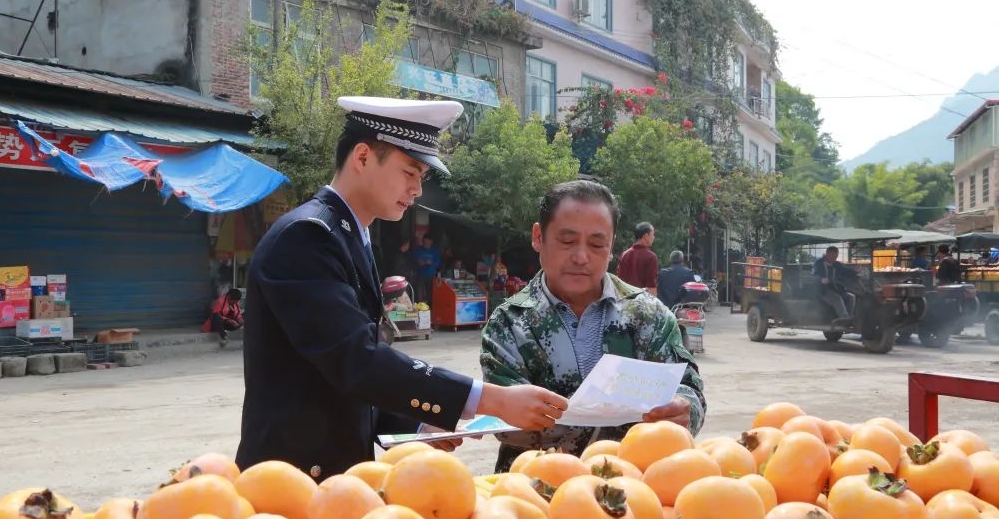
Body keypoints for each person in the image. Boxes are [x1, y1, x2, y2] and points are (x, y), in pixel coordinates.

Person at [235, 96, 568, 480]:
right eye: (410, 173)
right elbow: (355, 361)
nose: (416, 191)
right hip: (287, 481)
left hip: (331, 477)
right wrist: (487, 398)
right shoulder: (307, 237)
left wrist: (417, 426)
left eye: (421, 179)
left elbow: (338, 374)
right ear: (362, 157)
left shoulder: (351, 235)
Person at [480, 180, 706, 472]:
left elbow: (688, 389)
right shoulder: (509, 323)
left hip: (632, 491)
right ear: (538, 236)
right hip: (534, 490)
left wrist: (683, 410)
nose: (581, 257)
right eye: (567, 241)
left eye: (597, 244)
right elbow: (508, 424)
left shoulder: (649, 315)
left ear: (612, 246)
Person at [812, 246, 856, 325]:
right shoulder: (819, 263)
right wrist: (821, 279)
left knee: (851, 297)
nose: (834, 258)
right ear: (827, 254)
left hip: (837, 289)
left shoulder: (837, 264)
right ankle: (845, 319)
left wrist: (855, 271)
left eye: (836, 256)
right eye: (832, 255)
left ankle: (849, 317)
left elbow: (845, 271)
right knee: (837, 298)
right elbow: (815, 274)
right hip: (824, 291)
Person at [616, 222, 658, 291]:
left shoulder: (624, 255)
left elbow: (618, 282)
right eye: (652, 234)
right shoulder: (651, 257)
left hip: (624, 298)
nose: (654, 237)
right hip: (641, 300)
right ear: (646, 235)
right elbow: (651, 286)